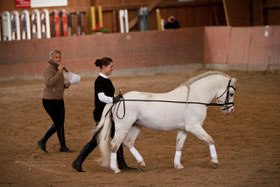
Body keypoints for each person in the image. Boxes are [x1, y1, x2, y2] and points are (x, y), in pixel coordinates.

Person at [72, 57, 135, 172]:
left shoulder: (107, 80)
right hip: (101, 116)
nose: (112, 69)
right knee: (97, 140)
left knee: (116, 137)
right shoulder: (99, 81)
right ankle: (77, 162)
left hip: (106, 116)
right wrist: (113, 99)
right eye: (111, 66)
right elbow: (101, 97)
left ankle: (121, 164)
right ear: (104, 67)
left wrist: (119, 98)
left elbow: (111, 94)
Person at [38, 50, 72, 153]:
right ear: (52, 58)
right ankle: (42, 141)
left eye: (60, 57)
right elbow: (49, 82)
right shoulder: (49, 68)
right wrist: (59, 72)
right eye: (56, 57)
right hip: (49, 100)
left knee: (60, 123)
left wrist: (64, 86)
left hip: (58, 99)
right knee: (58, 122)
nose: (58, 59)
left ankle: (63, 146)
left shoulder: (57, 68)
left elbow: (57, 84)